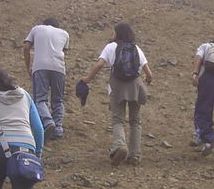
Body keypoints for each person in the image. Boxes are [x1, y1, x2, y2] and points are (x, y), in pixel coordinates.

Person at [80, 23, 153, 166]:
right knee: (135, 121)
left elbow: (99, 64)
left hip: (118, 86)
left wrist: (87, 79)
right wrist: (148, 80)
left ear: (117, 34)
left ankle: (120, 145)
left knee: (118, 119)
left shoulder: (111, 47)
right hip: (136, 86)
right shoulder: (136, 48)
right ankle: (135, 155)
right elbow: (149, 73)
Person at [22, 18, 70, 140]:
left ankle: (48, 122)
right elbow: (64, 51)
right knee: (58, 100)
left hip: (40, 67)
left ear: (44, 24)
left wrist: (28, 66)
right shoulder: (64, 33)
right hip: (59, 69)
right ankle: (58, 129)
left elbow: (26, 47)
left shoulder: (36, 29)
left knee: (40, 99)